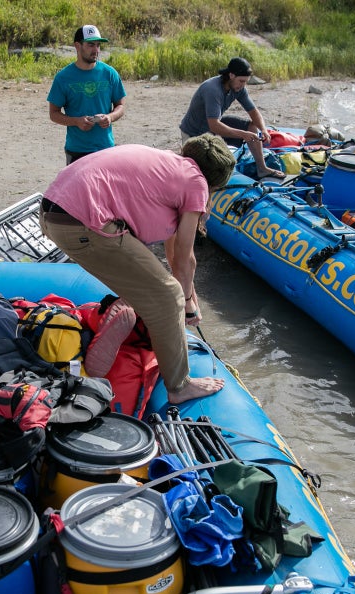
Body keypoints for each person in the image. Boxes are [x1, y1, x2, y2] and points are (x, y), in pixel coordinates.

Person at [38, 134, 236, 404]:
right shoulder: (196, 182)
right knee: (168, 296)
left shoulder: (168, 166)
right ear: (215, 182)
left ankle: (115, 323)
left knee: (153, 286)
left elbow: (171, 248)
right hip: (83, 222)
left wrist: (183, 290)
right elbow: (185, 257)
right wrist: (187, 300)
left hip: (53, 213)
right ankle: (179, 386)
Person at [179, 57, 284, 180]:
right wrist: (243, 134)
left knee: (252, 126)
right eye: (241, 81)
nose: (243, 85)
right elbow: (214, 125)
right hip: (194, 133)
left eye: (245, 82)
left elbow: (254, 112)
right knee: (202, 173)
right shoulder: (212, 89)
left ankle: (262, 169)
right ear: (231, 75)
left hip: (213, 126)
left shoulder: (238, 88)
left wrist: (264, 129)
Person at [46, 25, 126, 165]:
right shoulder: (63, 78)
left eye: (98, 45)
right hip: (77, 151)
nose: (96, 50)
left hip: (105, 148)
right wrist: (76, 121)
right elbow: (53, 113)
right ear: (77, 46)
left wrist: (109, 117)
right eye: (90, 45)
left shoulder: (110, 73)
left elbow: (120, 106)